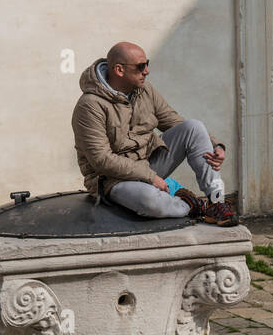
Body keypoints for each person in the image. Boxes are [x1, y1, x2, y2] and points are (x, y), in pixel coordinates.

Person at [71, 41, 239, 226]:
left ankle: (216, 202)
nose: (147, 71)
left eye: (147, 64)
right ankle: (191, 205)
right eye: (141, 66)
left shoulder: (144, 90)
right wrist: (151, 177)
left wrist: (216, 145)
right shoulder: (90, 106)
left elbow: (174, 121)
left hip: (149, 163)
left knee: (193, 127)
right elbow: (102, 160)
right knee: (150, 201)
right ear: (119, 70)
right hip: (113, 180)